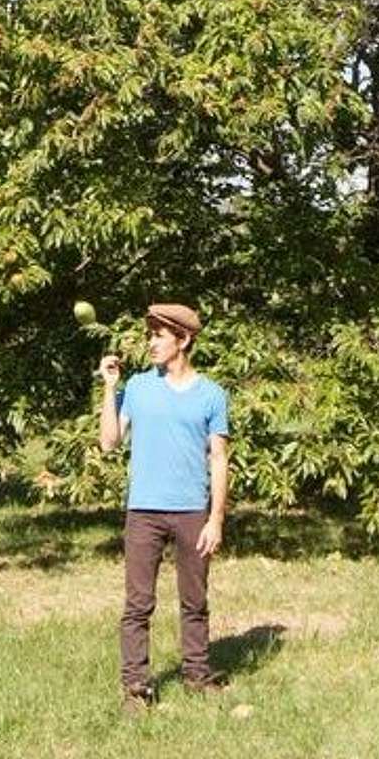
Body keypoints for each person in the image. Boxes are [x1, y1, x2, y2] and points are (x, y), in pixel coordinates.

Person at [98, 302, 229, 714]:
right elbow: (109, 443)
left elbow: (219, 459)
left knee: (195, 601)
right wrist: (109, 389)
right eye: (149, 335)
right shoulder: (137, 387)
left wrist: (215, 519)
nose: (151, 343)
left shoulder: (212, 394)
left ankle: (197, 676)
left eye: (159, 336)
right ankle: (136, 688)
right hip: (144, 512)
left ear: (183, 340)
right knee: (138, 605)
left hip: (192, 512)